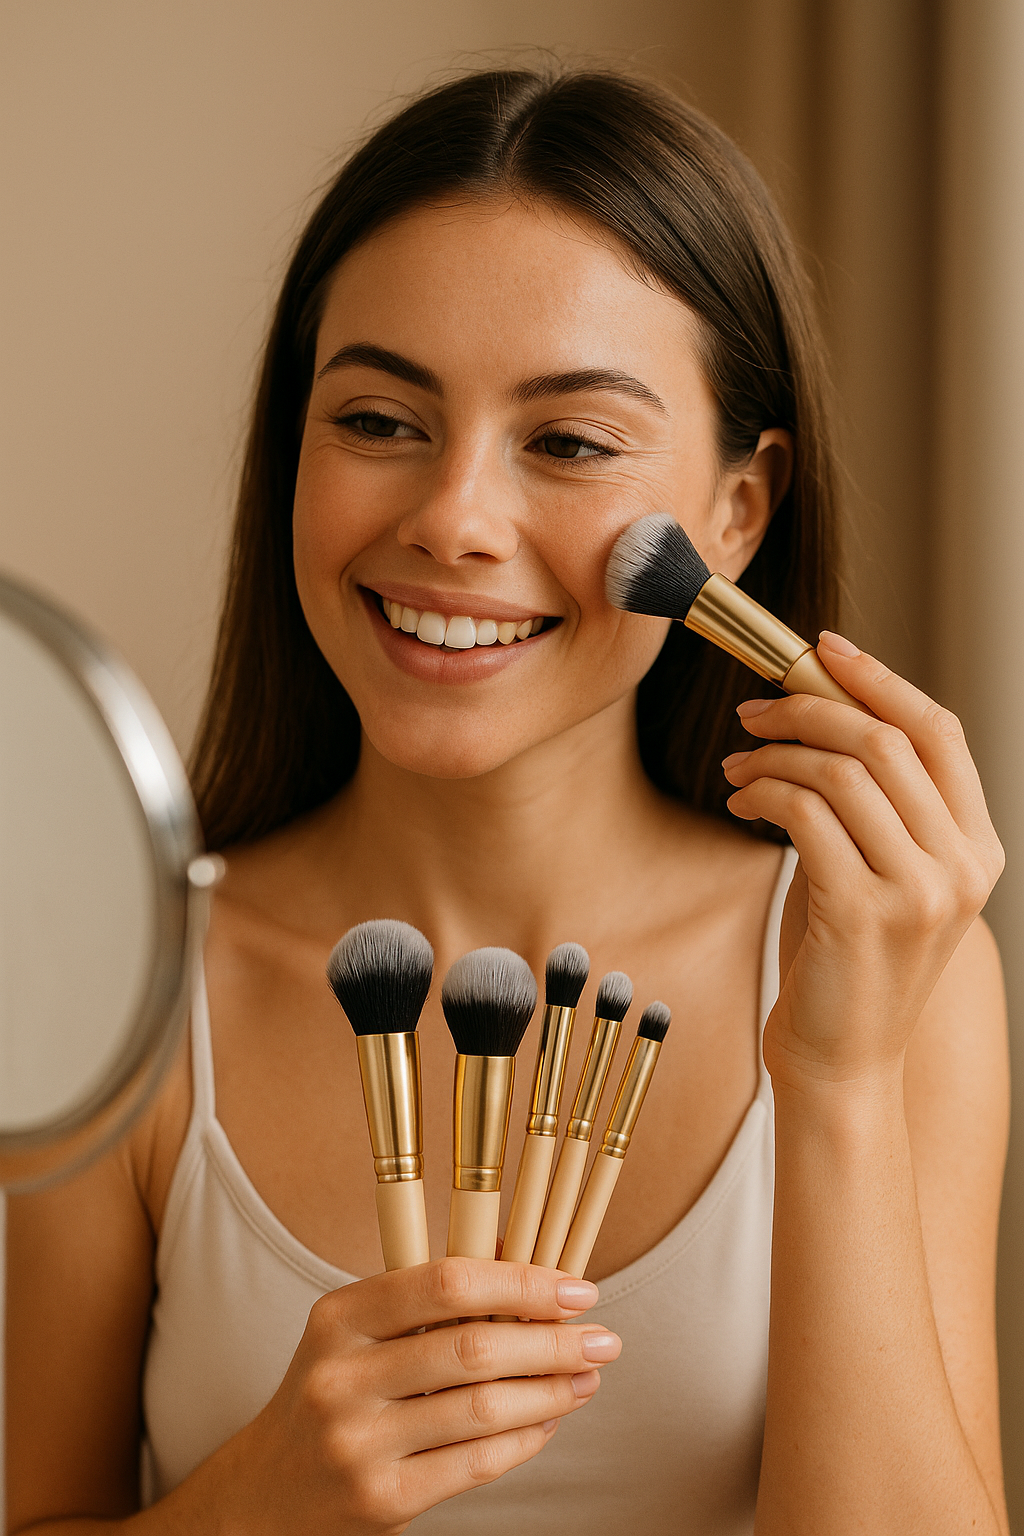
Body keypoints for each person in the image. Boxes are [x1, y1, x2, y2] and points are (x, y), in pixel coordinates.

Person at [7, 67, 1009, 1536]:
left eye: (569, 443)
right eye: (379, 419)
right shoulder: (132, 993)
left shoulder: (886, 966)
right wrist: (250, 1508)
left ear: (734, 510)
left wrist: (843, 1084)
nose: (455, 518)